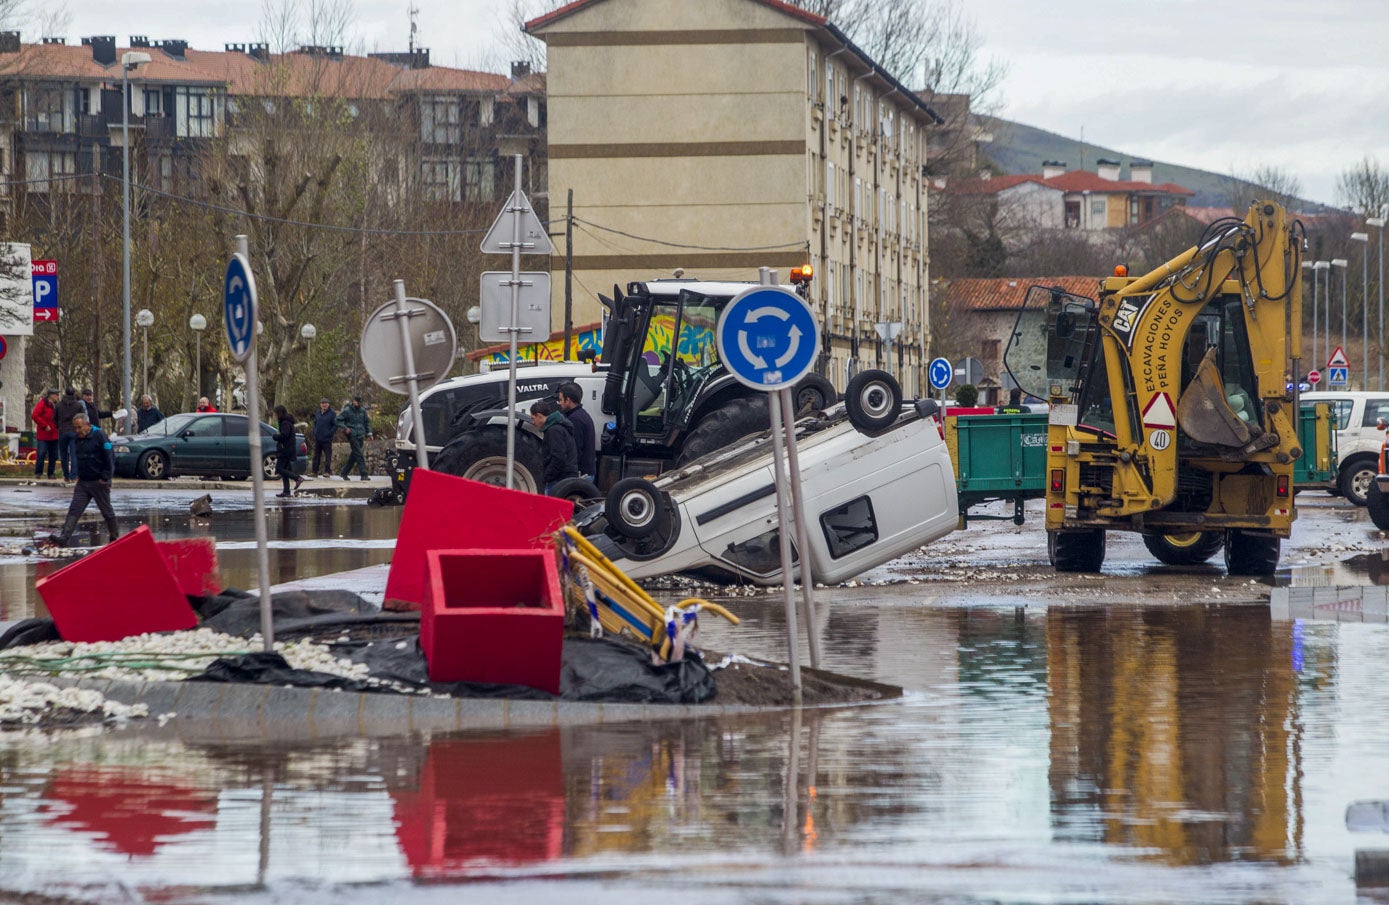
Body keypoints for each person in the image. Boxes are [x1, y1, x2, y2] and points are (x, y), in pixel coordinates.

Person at [48, 413, 119, 546]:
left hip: (99, 481)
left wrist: (105, 477)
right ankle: (64, 537)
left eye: (79, 427)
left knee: (106, 511)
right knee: (74, 509)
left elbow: (110, 458)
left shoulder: (100, 435)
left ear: (87, 425)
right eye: (75, 428)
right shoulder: (77, 438)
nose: (77, 431)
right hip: (83, 482)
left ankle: (114, 538)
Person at [530, 400, 578, 493]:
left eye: (533, 418)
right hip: (564, 477)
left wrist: (546, 477)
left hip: (558, 480)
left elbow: (558, 458)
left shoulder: (553, 431)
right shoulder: (557, 428)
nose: (533, 422)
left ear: (539, 416)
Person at [556, 382, 596, 481]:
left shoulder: (575, 420)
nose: (559, 403)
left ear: (568, 400)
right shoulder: (582, 415)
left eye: (560, 400)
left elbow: (575, 449)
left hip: (580, 474)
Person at [337, 395, 372, 480]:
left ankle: (344, 472)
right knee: (359, 453)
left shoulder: (362, 411)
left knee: (354, 454)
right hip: (351, 434)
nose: (358, 403)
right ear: (353, 401)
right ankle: (364, 474)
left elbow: (366, 423)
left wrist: (369, 433)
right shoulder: (347, 411)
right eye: (357, 402)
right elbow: (338, 420)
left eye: (359, 402)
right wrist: (345, 428)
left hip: (360, 434)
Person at [273, 404, 304, 498]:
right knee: (285, 471)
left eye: (276, 414)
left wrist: (275, 437)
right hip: (287, 449)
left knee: (279, 469)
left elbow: (284, 435)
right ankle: (286, 491)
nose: (275, 415)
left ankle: (297, 478)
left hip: (285, 449)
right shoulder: (286, 421)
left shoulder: (285, 423)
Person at [54, 387, 83, 482]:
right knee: (74, 454)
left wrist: (59, 426)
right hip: (74, 431)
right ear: (74, 393)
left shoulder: (59, 405)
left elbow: (54, 418)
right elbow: (82, 417)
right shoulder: (78, 405)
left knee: (63, 455)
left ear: (65, 393)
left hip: (62, 431)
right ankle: (74, 476)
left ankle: (66, 476)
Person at [30, 389, 59, 480]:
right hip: (44, 435)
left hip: (54, 434)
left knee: (53, 455)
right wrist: (44, 425)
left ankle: (51, 473)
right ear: (51, 395)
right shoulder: (43, 403)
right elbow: (35, 415)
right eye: (56, 395)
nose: (57, 397)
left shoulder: (56, 406)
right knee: (41, 454)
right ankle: (38, 472)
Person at [311, 398, 337, 477]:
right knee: (316, 456)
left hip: (327, 439)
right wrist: (315, 432)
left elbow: (335, 425)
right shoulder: (318, 413)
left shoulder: (332, 413)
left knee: (327, 456)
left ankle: (327, 472)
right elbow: (315, 423)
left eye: (325, 403)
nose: (324, 405)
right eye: (322, 403)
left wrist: (329, 433)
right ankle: (314, 472)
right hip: (318, 438)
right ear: (320, 404)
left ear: (328, 404)